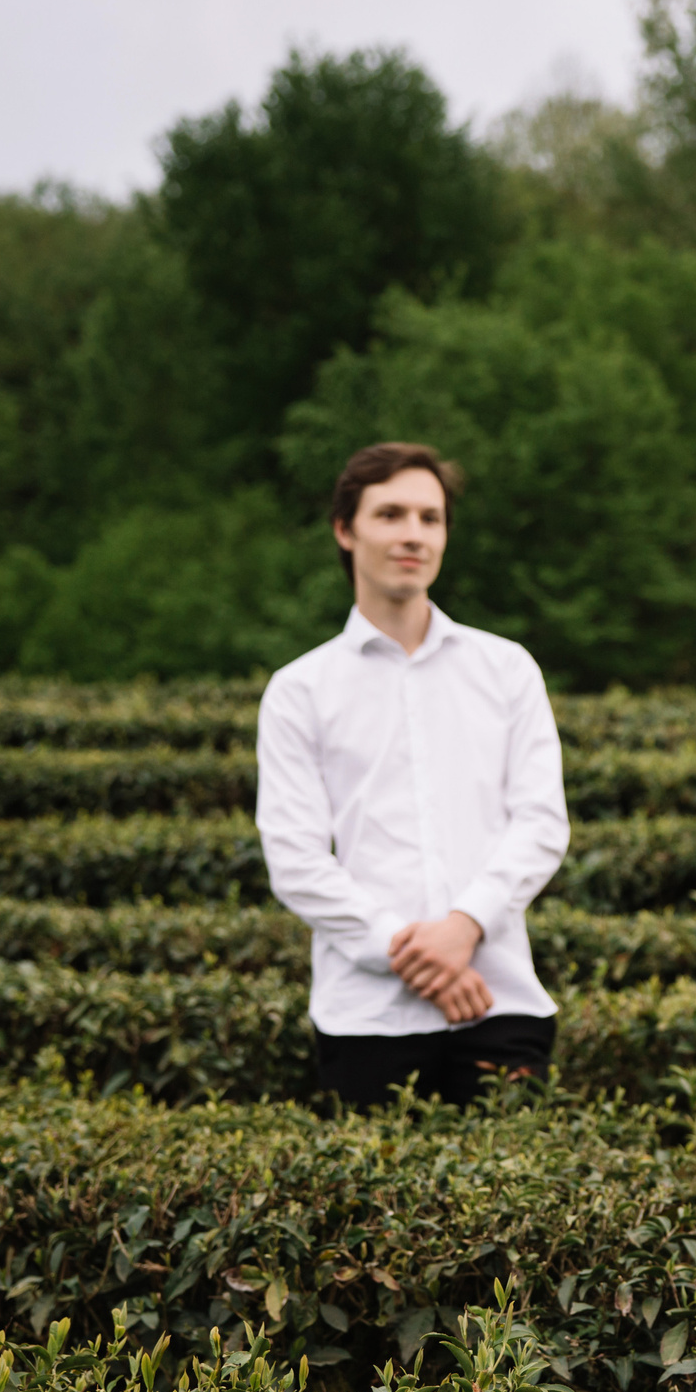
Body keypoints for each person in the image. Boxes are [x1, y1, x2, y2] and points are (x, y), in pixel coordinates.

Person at [256, 441, 570, 1111]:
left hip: (500, 1003)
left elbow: (541, 825)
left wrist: (463, 927)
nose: (413, 534)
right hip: (367, 1017)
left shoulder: (507, 669)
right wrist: (417, 958)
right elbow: (295, 859)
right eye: (390, 514)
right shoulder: (299, 690)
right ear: (345, 530)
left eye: (430, 518)